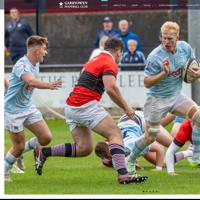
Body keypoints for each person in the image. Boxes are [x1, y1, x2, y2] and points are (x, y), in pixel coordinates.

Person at [33, 38, 147, 184]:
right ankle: (124, 175)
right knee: (115, 134)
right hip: (85, 104)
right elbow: (110, 88)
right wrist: (127, 108)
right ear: (119, 52)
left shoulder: (95, 59)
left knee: (84, 148)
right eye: (120, 55)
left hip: (72, 106)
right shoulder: (109, 61)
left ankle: (44, 152)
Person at [125, 21, 200, 175]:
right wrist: (164, 74)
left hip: (176, 96)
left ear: (177, 37)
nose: (166, 42)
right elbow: (146, 83)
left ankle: (195, 157)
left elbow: (194, 65)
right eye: (164, 38)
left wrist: (199, 72)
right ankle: (131, 159)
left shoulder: (185, 48)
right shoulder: (155, 56)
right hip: (156, 100)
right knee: (150, 136)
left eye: (170, 39)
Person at [4, 35, 62, 182]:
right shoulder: (22, 65)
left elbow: (29, 82)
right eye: (44, 49)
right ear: (36, 51)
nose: (45, 52)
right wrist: (49, 85)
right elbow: (30, 80)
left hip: (28, 108)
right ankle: (4, 171)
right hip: (13, 111)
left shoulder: (36, 63)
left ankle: (18, 153)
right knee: (18, 146)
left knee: (46, 138)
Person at [95, 111, 173, 171]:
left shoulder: (131, 144)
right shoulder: (108, 155)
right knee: (162, 162)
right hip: (129, 123)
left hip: (139, 119)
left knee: (174, 145)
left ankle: (176, 112)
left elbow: (159, 148)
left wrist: (158, 169)